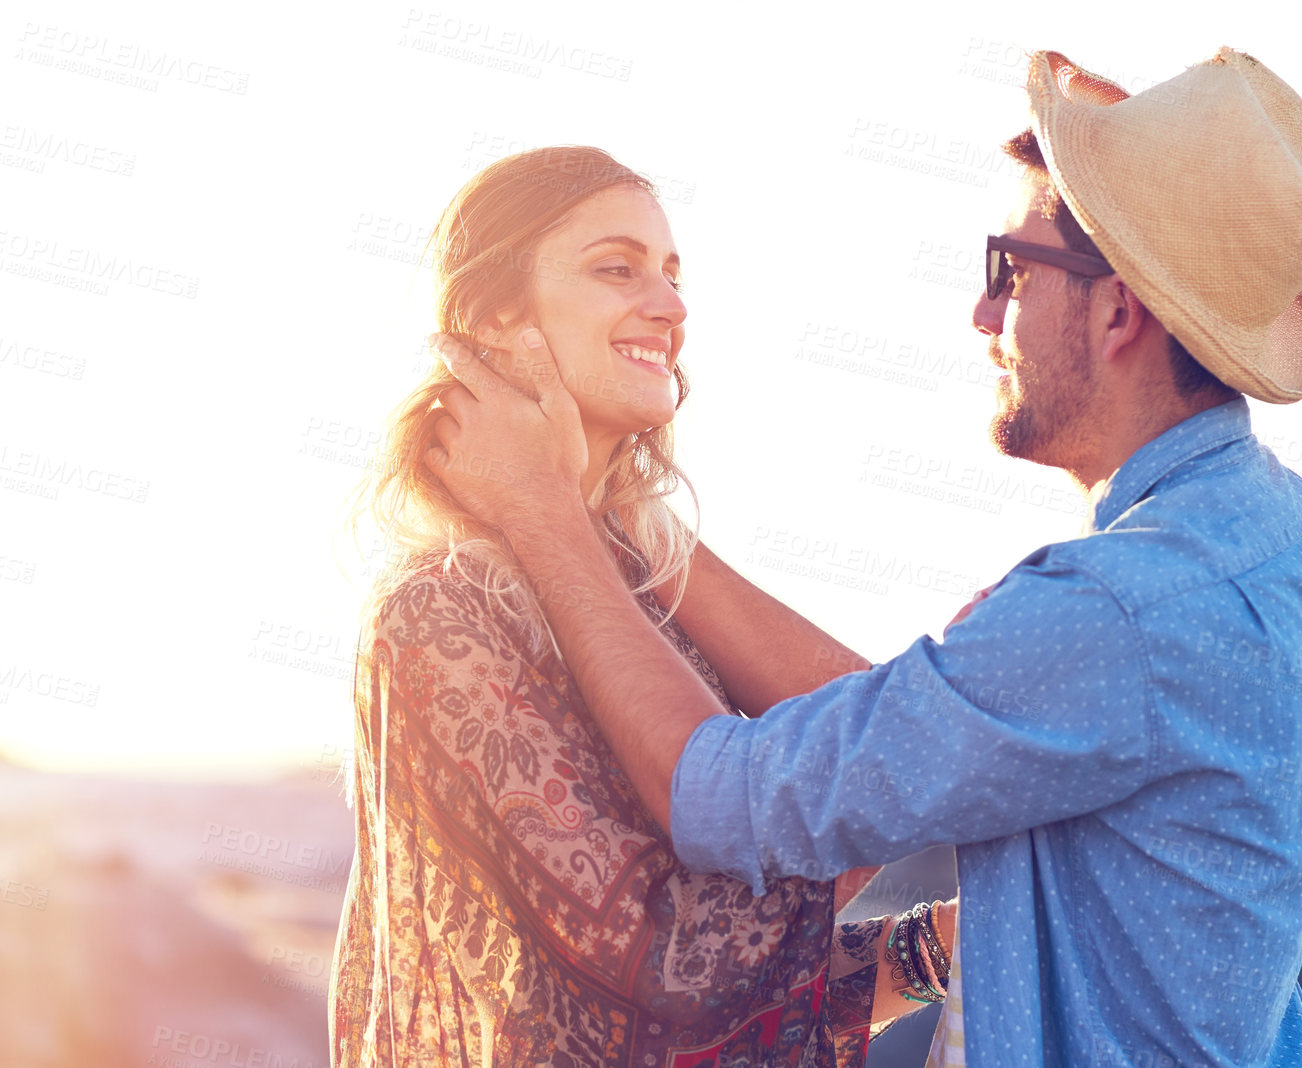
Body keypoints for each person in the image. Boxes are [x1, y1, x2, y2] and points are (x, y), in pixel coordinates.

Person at [425, 49, 1302, 1066]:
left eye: (1007, 267)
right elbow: (912, 739)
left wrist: (546, 512)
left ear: (1115, 311)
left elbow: (722, 796)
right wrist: (634, 532)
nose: (980, 314)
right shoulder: (1295, 548)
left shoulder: (1114, 612)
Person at [329, 145, 953, 1067]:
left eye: (671, 274)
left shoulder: (640, 584)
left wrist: (603, 510)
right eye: (615, 268)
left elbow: (891, 742)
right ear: (495, 318)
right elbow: (669, 969)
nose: (669, 305)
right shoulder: (439, 615)